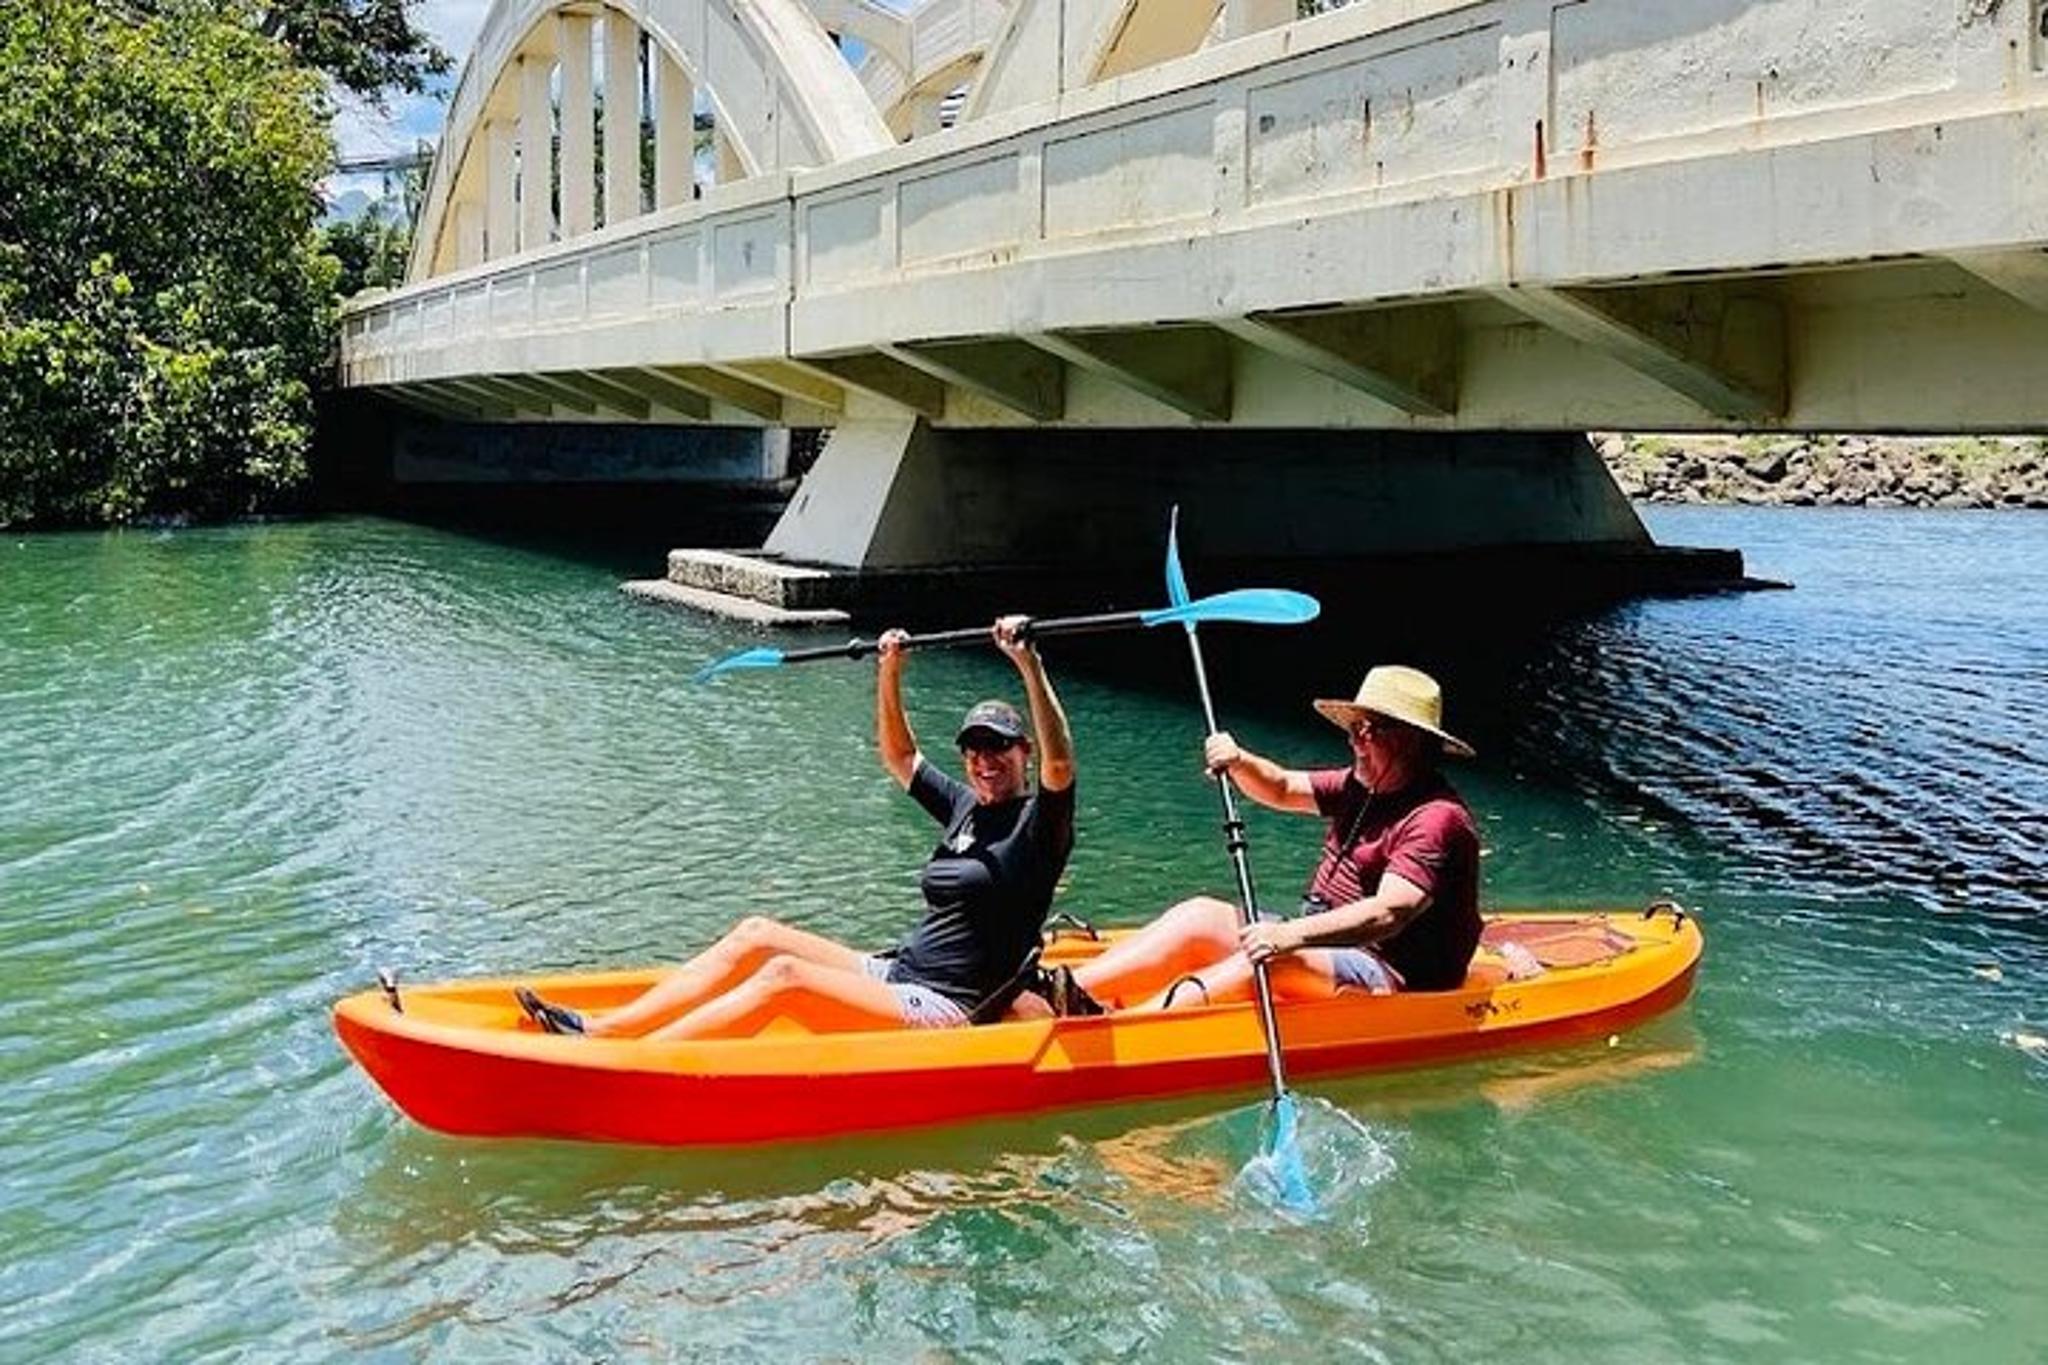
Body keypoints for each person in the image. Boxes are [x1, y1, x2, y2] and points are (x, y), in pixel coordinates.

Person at [515, 616, 1076, 1041]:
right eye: (974, 749)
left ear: (1023, 751)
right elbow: (900, 757)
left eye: (998, 747)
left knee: (786, 974)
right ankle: (605, 1029)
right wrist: (890, 670)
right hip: (897, 974)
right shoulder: (964, 806)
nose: (984, 760)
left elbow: (1060, 764)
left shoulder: (1038, 827)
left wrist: (1028, 664)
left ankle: (641, 1060)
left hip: (947, 1005)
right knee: (757, 934)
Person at [1048, 664, 1480, 1015]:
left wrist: (1290, 936)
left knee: (1272, 958)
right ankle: (1057, 994)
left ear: (1408, 740)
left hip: (1392, 974)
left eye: (1364, 730)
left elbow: (1389, 912)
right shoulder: (1362, 786)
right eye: (1352, 729)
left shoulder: (1436, 818)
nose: (1352, 741)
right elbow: (1282, 787)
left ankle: (1126, 1025)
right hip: (1328, 943)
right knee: (1200, 916)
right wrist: (1238, 761)